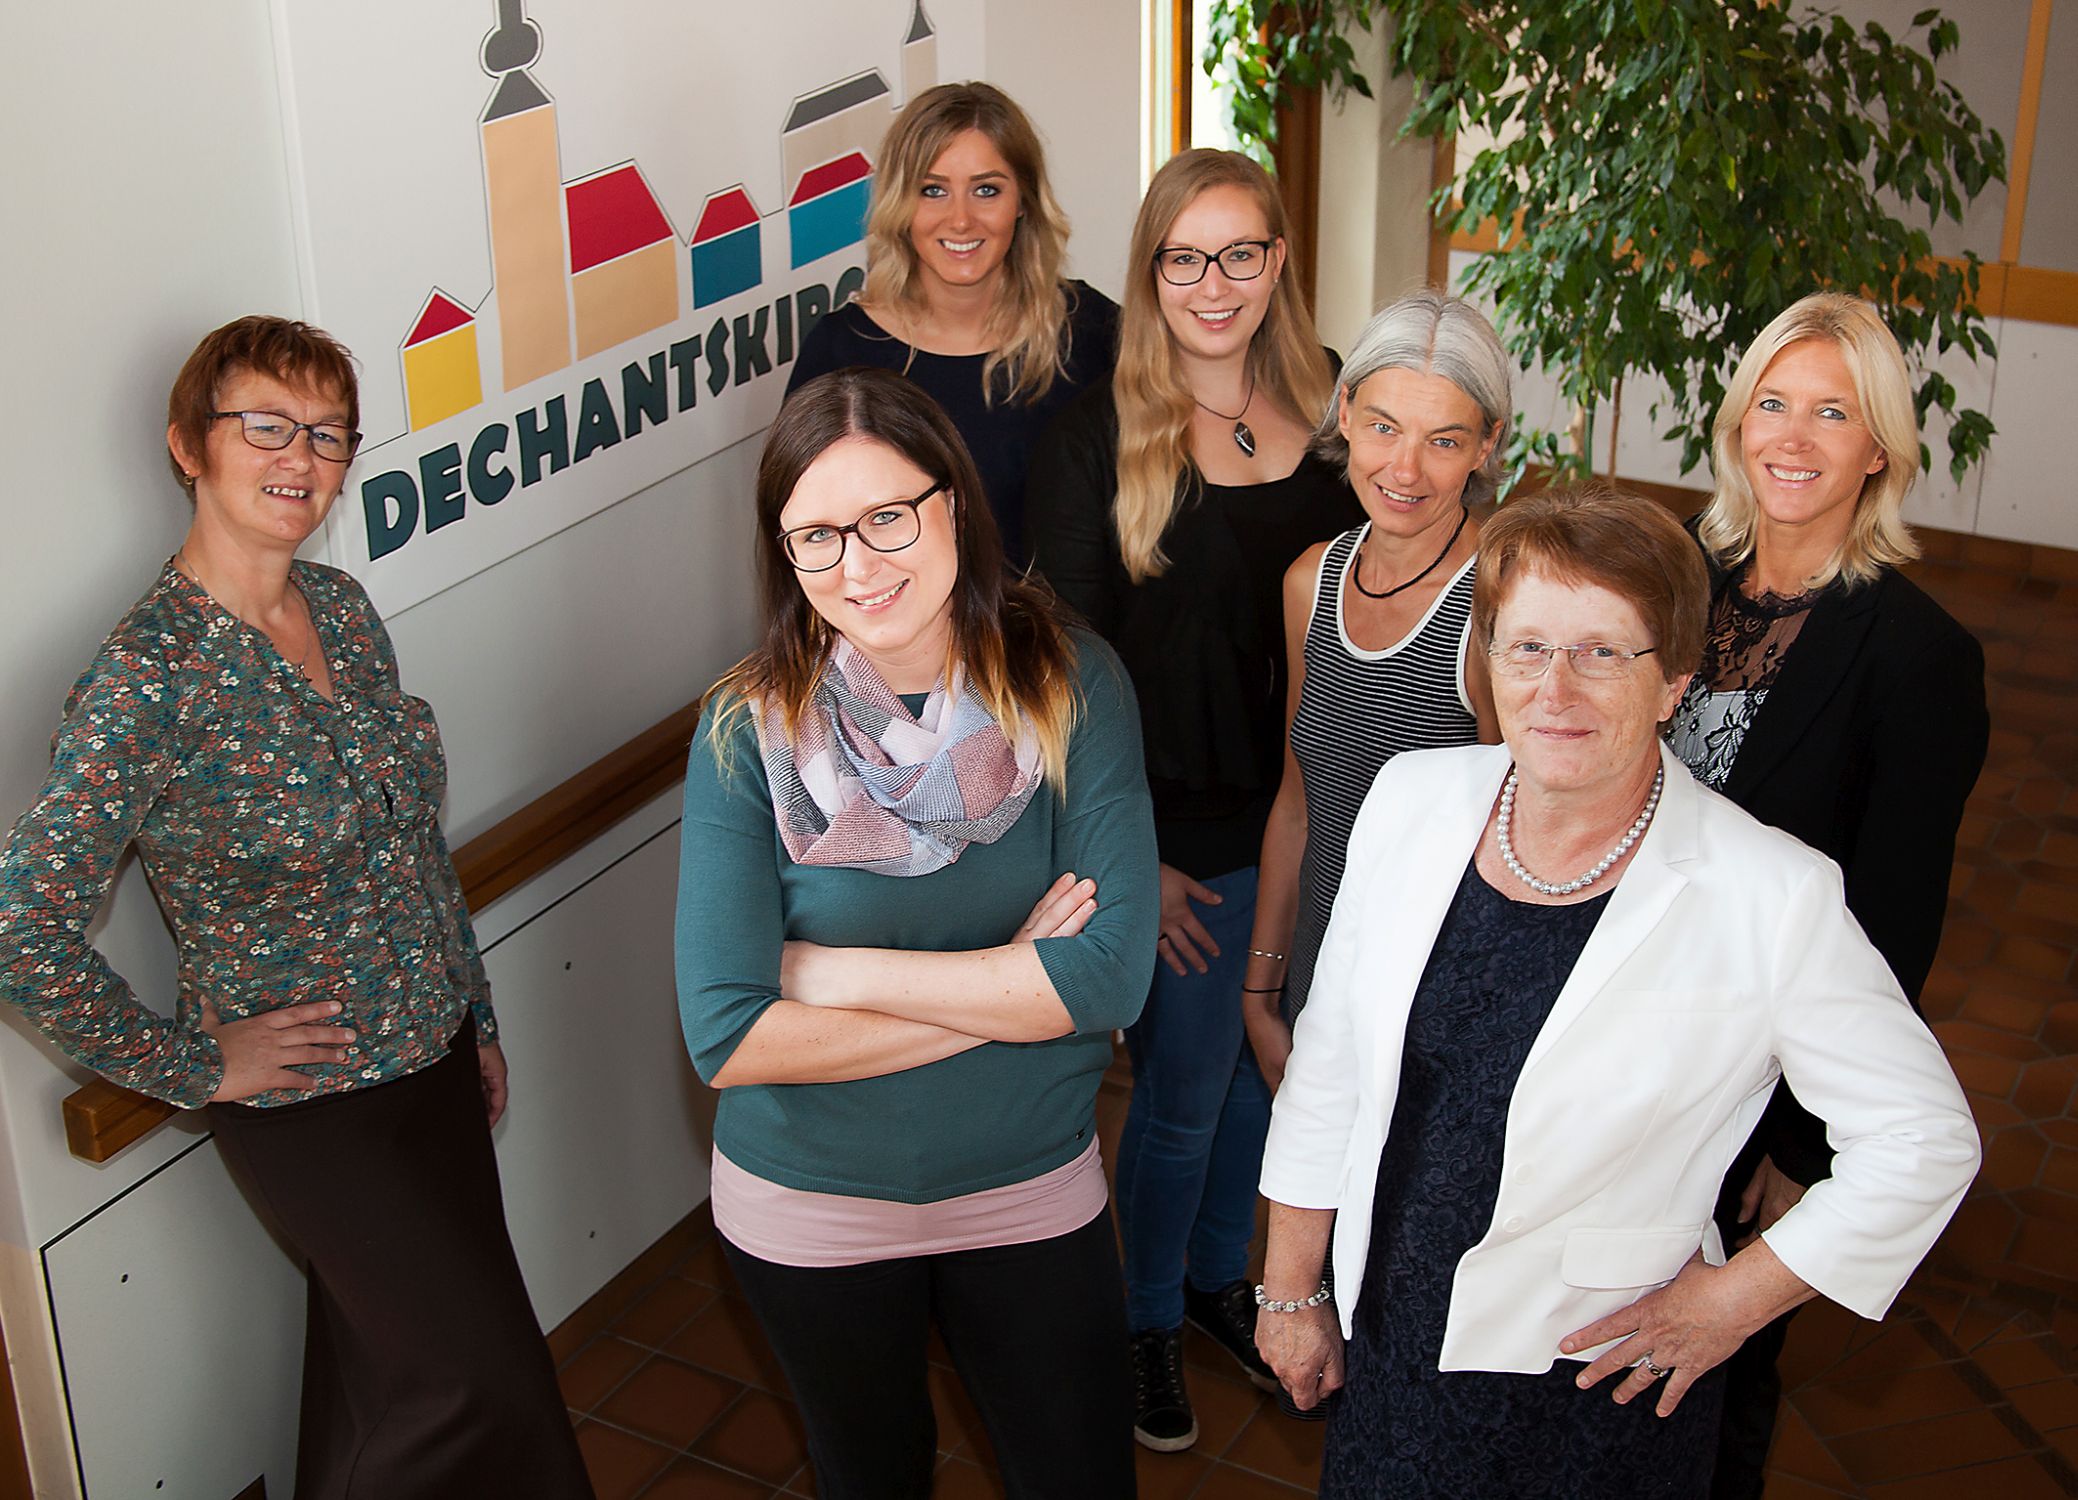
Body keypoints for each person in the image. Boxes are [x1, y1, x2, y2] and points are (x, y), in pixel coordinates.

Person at [1255, 485, 1980, 1499]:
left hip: (1594, 1381)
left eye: (1601, 653)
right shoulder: (1412, 799)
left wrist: (1732, 1302)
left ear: (1674, 679)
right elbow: (1329, 1060)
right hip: (1389, 1345)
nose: (1554, 689)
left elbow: (1923, 1140)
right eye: (1526, 647)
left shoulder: (1768, 894)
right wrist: (1290, 1291)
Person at [0, 317, 592, 1498]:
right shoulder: (146, 678)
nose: (301, 458)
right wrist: (190, 1063)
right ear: (189, 446)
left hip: (430, 1060)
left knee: (386, 1383)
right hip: (316, 1105)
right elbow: (19, 928)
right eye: (266, 426)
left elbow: (409, 845)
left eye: (328, 435)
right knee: (476, 1388)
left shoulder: (341, 606)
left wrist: (472, 1015)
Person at [675, 367, 1157, 1500]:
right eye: (817, 536)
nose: (859, 565)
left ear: (954, 505)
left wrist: (835, 975)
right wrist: (1013, 985)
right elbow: (728, 1039)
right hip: (809, 1206)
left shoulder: (1071, 685)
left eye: (886, 516)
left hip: (1027, 1185)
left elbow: (1106, 979)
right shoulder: (747, 731)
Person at [1025, 147, 1359, 1452]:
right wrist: (1132, 856)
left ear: (1277, 261)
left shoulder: (1334, 409)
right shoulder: (1093, 438)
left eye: (1238, 254)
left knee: (1273, 1081)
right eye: (1182, 259)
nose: (1211, 285)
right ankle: (1145, 1318)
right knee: (1180, 1097)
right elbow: (1064, 675)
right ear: (1149, 271)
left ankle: (1222, 1278)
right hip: (1177, 836)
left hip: (1316, 816)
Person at [1666, 292, 1990, 1498]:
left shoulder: (1917, 657)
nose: (1792, 437)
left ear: (1879, 451)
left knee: (1709, 1373)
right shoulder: (1675, 577)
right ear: (1736, 423)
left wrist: (1804, 1145)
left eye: (1832, 413)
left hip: (1751, 1068)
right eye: (1772, 403)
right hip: (1615, 1021)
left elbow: (1891, 928)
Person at [1242, 290, 1505, 1101]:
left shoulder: (1500, 604)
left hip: (1435, 1017)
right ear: (1346, 413)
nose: (1405, 469)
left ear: (1487, 445)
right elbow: (1299, 802)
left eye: (1444, 440)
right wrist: (1262, 990)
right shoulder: (1310, 581)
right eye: (1385, 426)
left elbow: (1517, 847)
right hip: (1316, 985)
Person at [785, 81, 1118, 566]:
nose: (961, 220)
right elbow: (806, 539)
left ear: (1023, 201)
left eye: (986, 190)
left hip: (1065, 615)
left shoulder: (1091, 332)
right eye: (933, 191)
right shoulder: (840, 354)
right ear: (900, 204)